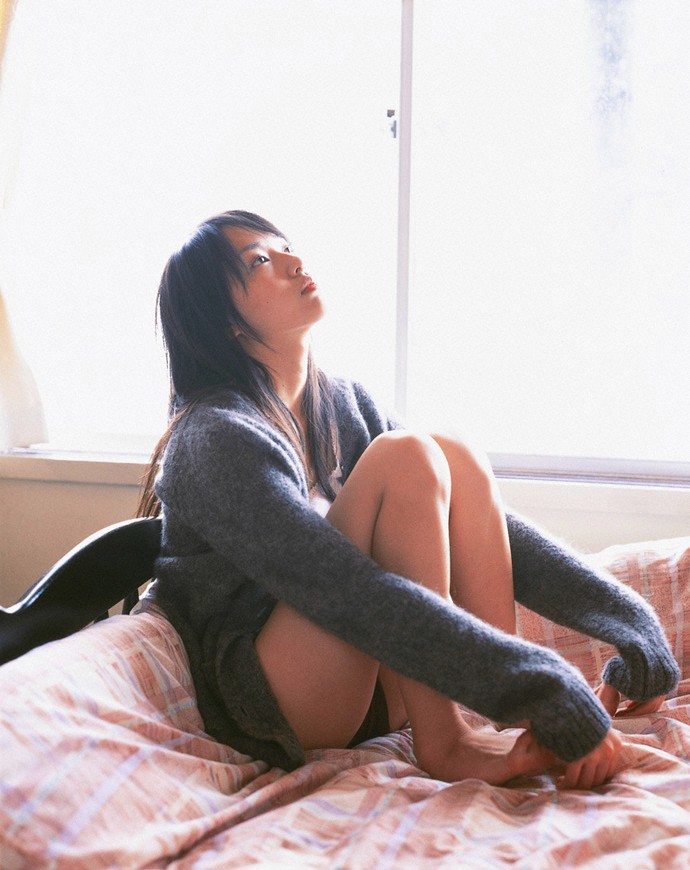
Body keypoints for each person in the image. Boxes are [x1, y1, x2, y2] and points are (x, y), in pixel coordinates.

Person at [137, 209, 679, 788]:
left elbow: (494, 534)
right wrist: (543, 684)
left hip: (377, 687)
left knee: (451, 452)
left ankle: (493, 721)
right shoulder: (215, 436)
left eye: (285, 245)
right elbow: (340, 587)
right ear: (224, 322)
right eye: (261, 261)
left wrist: (634, 628)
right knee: (407, 455)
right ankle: (446, 741)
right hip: (277, 707)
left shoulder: (342, 404)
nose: (293, 261)